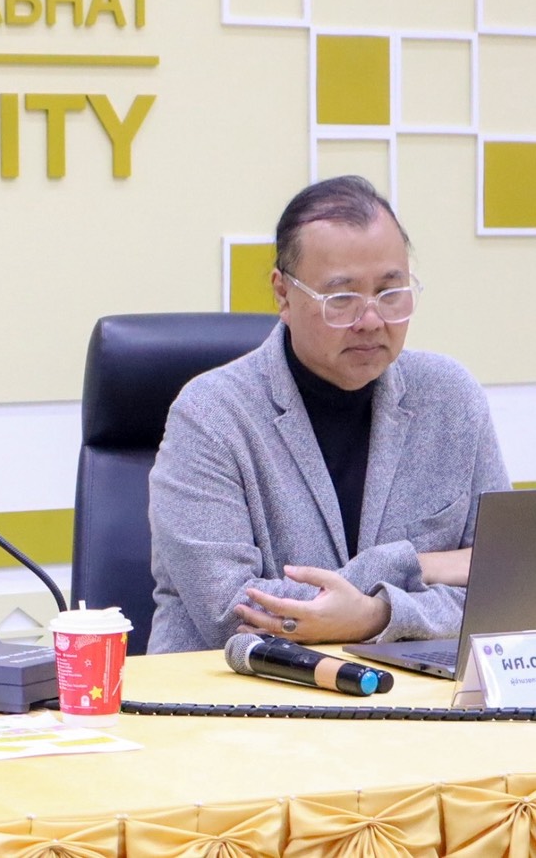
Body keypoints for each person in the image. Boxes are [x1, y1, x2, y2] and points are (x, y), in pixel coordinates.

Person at [147, 175, 509, 654]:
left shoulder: (451, 397)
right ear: (283, 295)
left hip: (416, 693)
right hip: (242, 693)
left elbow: (506, 588)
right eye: (342, 299)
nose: (371, 320)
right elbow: (233, 611)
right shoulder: (210, 415)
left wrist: (379, 614)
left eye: (390, 292)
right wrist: (418, 567)